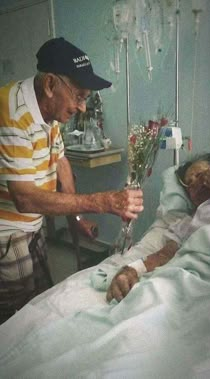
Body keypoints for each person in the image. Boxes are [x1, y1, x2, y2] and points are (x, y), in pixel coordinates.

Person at [0, 37, 143, 323]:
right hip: (7, 231)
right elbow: (25, 197)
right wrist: (103, 202)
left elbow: (61, 163)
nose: (81, 107)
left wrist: (75, 220)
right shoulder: (12, 113)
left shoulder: (49, 112)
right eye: (78, 96)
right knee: (12, 319)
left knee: (38, 302)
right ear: (51, 85)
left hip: (32, 224)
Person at [107, 152, 210, 302]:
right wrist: (132, 270)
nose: (194, 183)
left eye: (201, 175)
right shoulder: (185, 223)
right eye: (189, 184)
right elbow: (163, 256)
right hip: (196, 279)